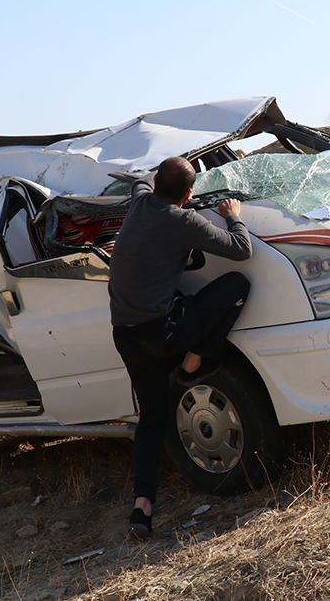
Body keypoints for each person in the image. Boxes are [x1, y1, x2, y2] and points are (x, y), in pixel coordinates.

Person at [108, 156, 252, 538]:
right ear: (188, 195)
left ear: (156, 181)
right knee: (237, 285)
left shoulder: (139, 202)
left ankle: (142, 508)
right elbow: (241, 250)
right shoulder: (185, 221)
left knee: (152, 419)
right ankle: (195, 360)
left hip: (126, 336)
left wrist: (145, 176)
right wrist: (233, 215)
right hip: (163, 332)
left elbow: (138, 182)